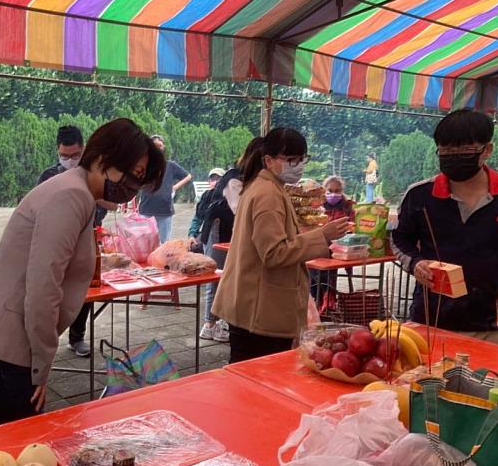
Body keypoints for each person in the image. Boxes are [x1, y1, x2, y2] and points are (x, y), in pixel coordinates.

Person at [0, 118, 165, 424]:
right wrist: (42, 366)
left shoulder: (76, 191)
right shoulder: (72, 196)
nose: (132, 189)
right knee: (25, 451)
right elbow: (43, 287)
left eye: (140, 180)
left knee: (19, 448)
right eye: (133, 176)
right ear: (103, 160)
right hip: (5, 348)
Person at [392, 109, 498, 346]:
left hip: (494, 325)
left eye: (464, 149)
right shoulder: (419, 195)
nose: (453, 156)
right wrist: (415, 263)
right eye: (445, 150)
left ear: (487, 150)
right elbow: (398, 240)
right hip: (430, 322)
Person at [212, 128, 349, 363]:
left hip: (254, 306)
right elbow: (274, 253)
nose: (297, 166)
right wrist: (322, 236)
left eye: (301, 159)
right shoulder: (267, 194)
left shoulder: (268, 188)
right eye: (290, 160)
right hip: (259, 312)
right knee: (257, 380)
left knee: (247, 380)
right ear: (268, 160)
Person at [37, 125, 117, 357]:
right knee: (50, 291)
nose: (69, 160)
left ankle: (77, 337)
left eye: (74, 155)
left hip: (89, 238)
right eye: (64, 155)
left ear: (83, 151)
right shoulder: (49, 175)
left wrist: (88, 188)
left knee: (85, 290)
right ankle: (44, 340)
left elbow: (113, 204)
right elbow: (39, 207)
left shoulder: (94, 175)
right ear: (57, 151)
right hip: (55, 240)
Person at [187, 168, 228, 341]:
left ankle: (219, 322)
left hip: (222, 241)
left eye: (219, 178)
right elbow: (198, 217)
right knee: (215, 279)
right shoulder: (209, 197)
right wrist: (192, 233)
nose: (216, 181)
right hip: (215, 240)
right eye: (213, 178)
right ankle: (208, 324)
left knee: (224, 281)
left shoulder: (228, 195)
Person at [138, 135, 192, 243]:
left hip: (165, 210)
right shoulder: (144, 165)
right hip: (146, 208)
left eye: (160, 146)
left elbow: (188, 176)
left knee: (164, 243)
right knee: (144, 242)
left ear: (164, 147)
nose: (158, 148)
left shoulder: (170, 165)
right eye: (155, 146)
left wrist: (175, 187)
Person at [311, 176, 356, 301]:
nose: (333, 194)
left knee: (328, 270)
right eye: (330, 191)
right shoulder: (317, 207)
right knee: (315, 270)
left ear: (342, 191)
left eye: (337, 191)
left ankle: (327, 301)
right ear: (324, 190)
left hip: (341, 249)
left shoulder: (348, 207)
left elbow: (353, 228)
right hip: (319, 247)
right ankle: (320, 301)